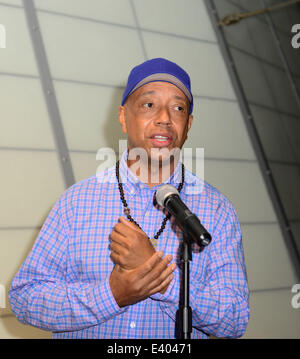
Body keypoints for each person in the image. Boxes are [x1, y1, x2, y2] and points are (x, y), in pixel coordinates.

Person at [9, 58, 249, 339]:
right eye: (149, 105)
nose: (164, 118)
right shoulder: (76, 203)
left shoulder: (217, 210)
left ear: (189, 124)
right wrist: (112, 295)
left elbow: (235, 318)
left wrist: (162, 282)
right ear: (123, 116)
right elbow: (25, 298)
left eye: (178, 108)